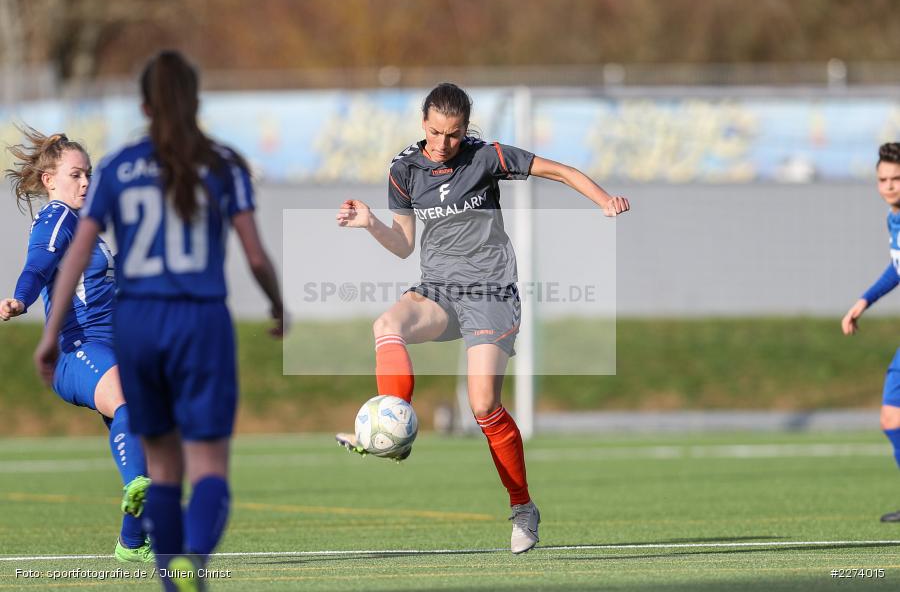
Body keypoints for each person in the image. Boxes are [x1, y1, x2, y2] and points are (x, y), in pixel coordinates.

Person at [335, 82, 629, 554]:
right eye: (435, 132)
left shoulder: (485, 156)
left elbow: (558, 170)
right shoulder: (404, 168)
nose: (443, 144)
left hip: (491, 294)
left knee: (483, 405)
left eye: (453, 134)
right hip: (438, 291)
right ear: (423, 123)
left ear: (466, 129)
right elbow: (404, 245)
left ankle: (522, 508)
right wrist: (370, 223)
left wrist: (603, 199)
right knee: (387, 326)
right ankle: (396, 427)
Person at [34, 50, 284, 591]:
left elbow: (76, 253)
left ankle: (157, 563)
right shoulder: (223, 164)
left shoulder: (121, 166)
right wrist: (277, 305)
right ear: (196, 101)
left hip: (141, 326)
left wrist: (48, 335)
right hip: (202, 325)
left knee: (162, 463)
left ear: (144, 105)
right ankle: (190, 559)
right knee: (209, 464)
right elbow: (256, 255)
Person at [1, 127, 153, 563]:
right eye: (76, 174)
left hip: (113, 349)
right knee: (133, 409)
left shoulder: (86, 226)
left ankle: (131, 543)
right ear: (50, 180)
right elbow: (38, 264)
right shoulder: (58, 218)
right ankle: (135, 488)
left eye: (89, 174)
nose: (86, 183)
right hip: (79, 351)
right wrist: (19, 298)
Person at [842, 141, 900, 523]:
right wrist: (864, 301)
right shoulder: (893, 219)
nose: (890, 186)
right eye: (883, 179)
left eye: (897, 179)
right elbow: (898, 267)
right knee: (891, 419)